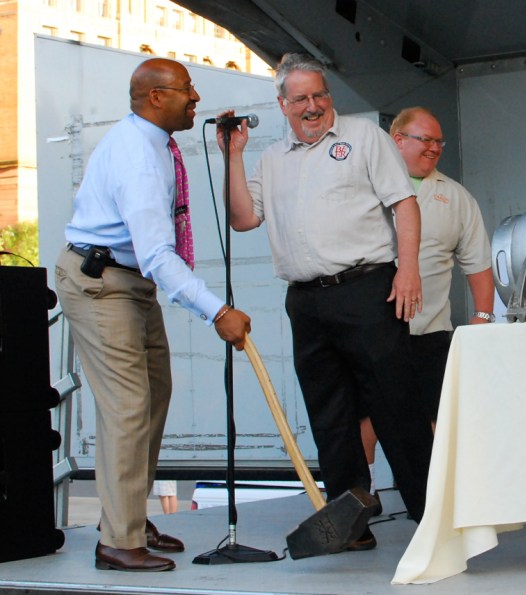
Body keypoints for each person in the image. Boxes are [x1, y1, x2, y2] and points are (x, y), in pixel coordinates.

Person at [216, 53, 433, 549]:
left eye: (320, 95)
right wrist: (233, 154)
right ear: (282, 105)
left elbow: (404, 202)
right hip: (307, 301)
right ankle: (352, 522)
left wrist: (409, 269)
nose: (313, 106)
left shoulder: (363, 137)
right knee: (329, 414)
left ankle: (429, 517)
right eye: (301, 99)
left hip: (366, 288)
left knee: (395, 406)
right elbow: (244, 218)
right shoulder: (272, 158)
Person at [55, 58, 251, 572]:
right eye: (187, 89)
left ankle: (129, 520)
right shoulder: (138, 158)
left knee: (154, 394)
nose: (196, 97)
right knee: (128, 405)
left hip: (130, 282)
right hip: (101, 282)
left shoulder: (158, 144)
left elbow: (152, 259)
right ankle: (118, 540)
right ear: (155, 97)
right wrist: (218, 312)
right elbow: (159, 255)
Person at [358, 107, 495, 498]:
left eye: (439, 142)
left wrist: (482, 320)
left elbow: (479, 266)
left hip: (429, 330)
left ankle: (437, 502)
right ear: (396, 139)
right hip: (370, 330)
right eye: (426, 139)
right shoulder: (364, 188)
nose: (435, 148)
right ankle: (362, 499)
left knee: (435, 417)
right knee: (365, 417)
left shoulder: (456, 197)